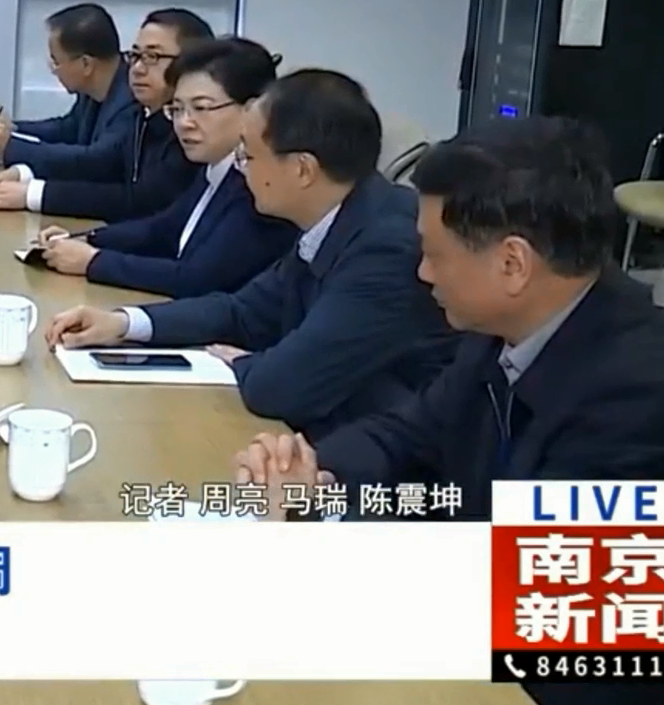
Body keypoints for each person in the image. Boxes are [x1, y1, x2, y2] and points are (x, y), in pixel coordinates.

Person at [230, 116, 664, 703]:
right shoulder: (509, 325)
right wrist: (312, 475)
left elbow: (547, 607)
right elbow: (409, 434)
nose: (422, 273)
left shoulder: (642, 394)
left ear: (512, 264)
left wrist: (325, 530)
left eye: (435, 255)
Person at [43, 69, 456, 439]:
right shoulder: (336, 216)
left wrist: (250, 363)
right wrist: (123, 323)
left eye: (249, 156)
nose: (241, 169)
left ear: (303, 169)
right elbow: (243, 311)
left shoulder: (387, 247)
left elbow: (281, 387)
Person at [32, 37, 298, 297]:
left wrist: (93, 261)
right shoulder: (215, 167)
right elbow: (163, 228)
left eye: (201, 108)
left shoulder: (261, 183)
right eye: (177, 109)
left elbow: (196, 279)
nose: (184, 123)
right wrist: (86, 238)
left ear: (252, 110)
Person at [0, 8, 208, 221]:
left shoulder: (170, 123)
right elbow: (100, 160)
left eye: (152, 57)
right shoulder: (145, 112)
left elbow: (127, 192)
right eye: (136, 55)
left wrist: (31, 191)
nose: (138, 68)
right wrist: (21, 171)